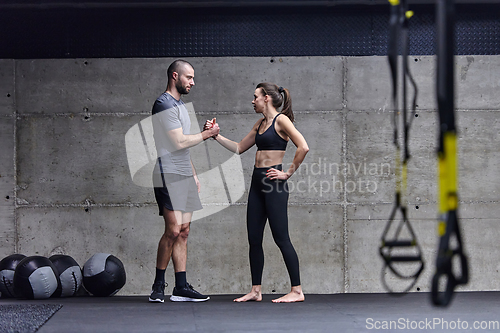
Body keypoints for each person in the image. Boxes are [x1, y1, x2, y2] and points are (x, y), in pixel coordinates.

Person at [204, 83, 309, 303]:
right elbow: (239, 148)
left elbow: (303, 147)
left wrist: (287, 173)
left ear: (267, 98)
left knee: (281, 238)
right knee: (254, 238)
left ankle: (297, 291)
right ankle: (256, 290)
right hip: (257, 184)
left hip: (273, 185)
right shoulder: (261, 123)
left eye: (255, 97)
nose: (253, 101)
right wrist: (215, 135)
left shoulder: (282, 120)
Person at [149, 59, 220, 303]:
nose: (193, 82)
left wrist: (194, 173)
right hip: (168, 174)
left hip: (183, 173)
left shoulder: (180, 106)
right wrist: (207, 134)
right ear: (175, 76)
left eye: (193, 78)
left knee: (185, 231)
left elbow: (184, 148)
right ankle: (158, 286)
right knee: (173, 230)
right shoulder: (163, 104)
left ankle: (181, 287)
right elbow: (177, 142)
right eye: (189, 77)